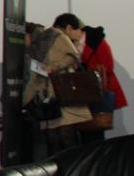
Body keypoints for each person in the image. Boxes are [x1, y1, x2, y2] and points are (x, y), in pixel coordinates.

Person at [24, 17, 89, 156]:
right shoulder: (34, 47)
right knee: (52, 138)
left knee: (65, 136)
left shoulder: (55, 36)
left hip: (62, 93)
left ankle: (74, 166)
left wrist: (54, 66)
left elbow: (74, 56)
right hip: (47, 96)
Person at [76, 20, 127, 142]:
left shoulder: (96, 40)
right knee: (87, 129)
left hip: (97, 90)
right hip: (85, 91)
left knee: (96, 126)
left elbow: (107, 66)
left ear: (69, 28)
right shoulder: (73, 44)